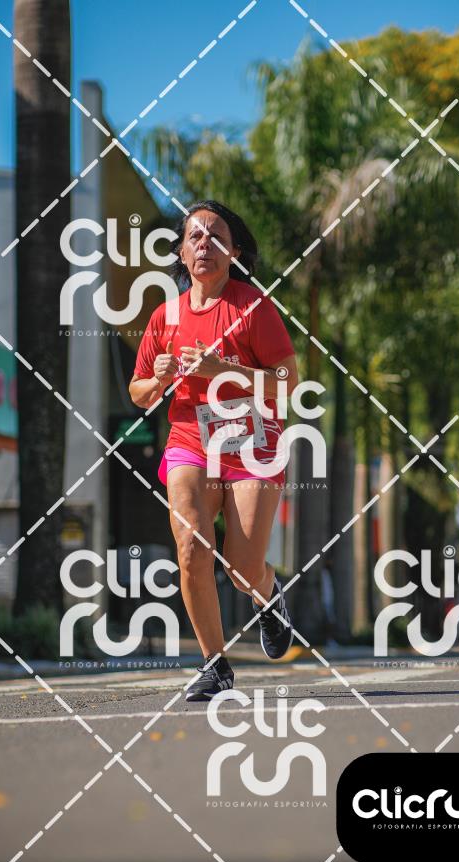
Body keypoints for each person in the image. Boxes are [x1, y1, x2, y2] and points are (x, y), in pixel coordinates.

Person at [129, 200, 298, 699]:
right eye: (195, 236)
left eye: (216, 236)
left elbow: (288, 383)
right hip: (190, 441)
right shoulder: (165, 316)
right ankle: (214, 663)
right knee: (191, 547)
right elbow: (138, 392)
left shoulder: (252, 306)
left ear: (234, 251)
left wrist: (220, 369)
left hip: (251, 442)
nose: (205, 244)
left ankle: (267, 594)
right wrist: (157, 381)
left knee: (240, 569)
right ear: (182, 253)